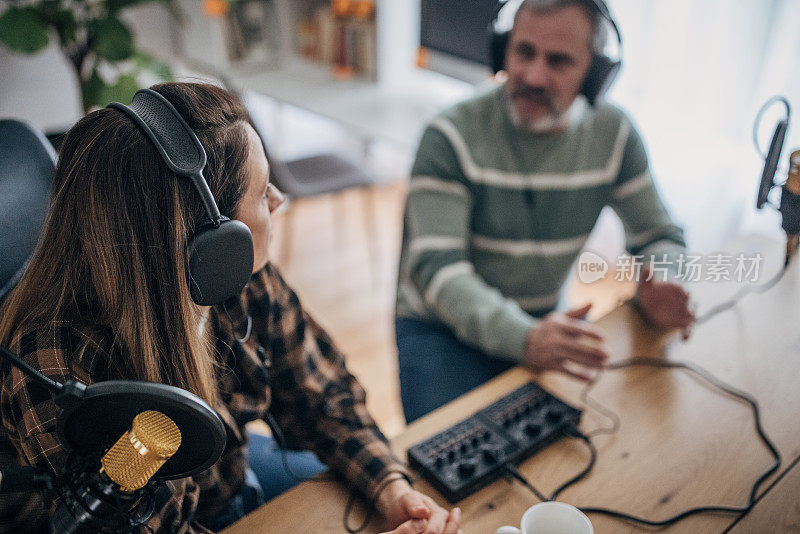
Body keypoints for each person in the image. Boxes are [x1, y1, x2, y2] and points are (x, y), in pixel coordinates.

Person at [0, 83, 461, 534]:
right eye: (262, 193)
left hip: (228, 476)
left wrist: (392, 488)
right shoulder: (56, 365)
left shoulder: (235, 276)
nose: (280, 200)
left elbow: (324, 395)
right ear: (207, 241)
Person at [395, 0, 695, 423]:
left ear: (595, 74)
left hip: (540, 320)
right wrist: (523, 337)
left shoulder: (616, 135)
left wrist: (663, 279)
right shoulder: (448, 136)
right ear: (503, 50)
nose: (534, 76)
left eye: (558, 61)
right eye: (523, 52)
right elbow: (438, 271)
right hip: (441, 328)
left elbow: (661, 234)